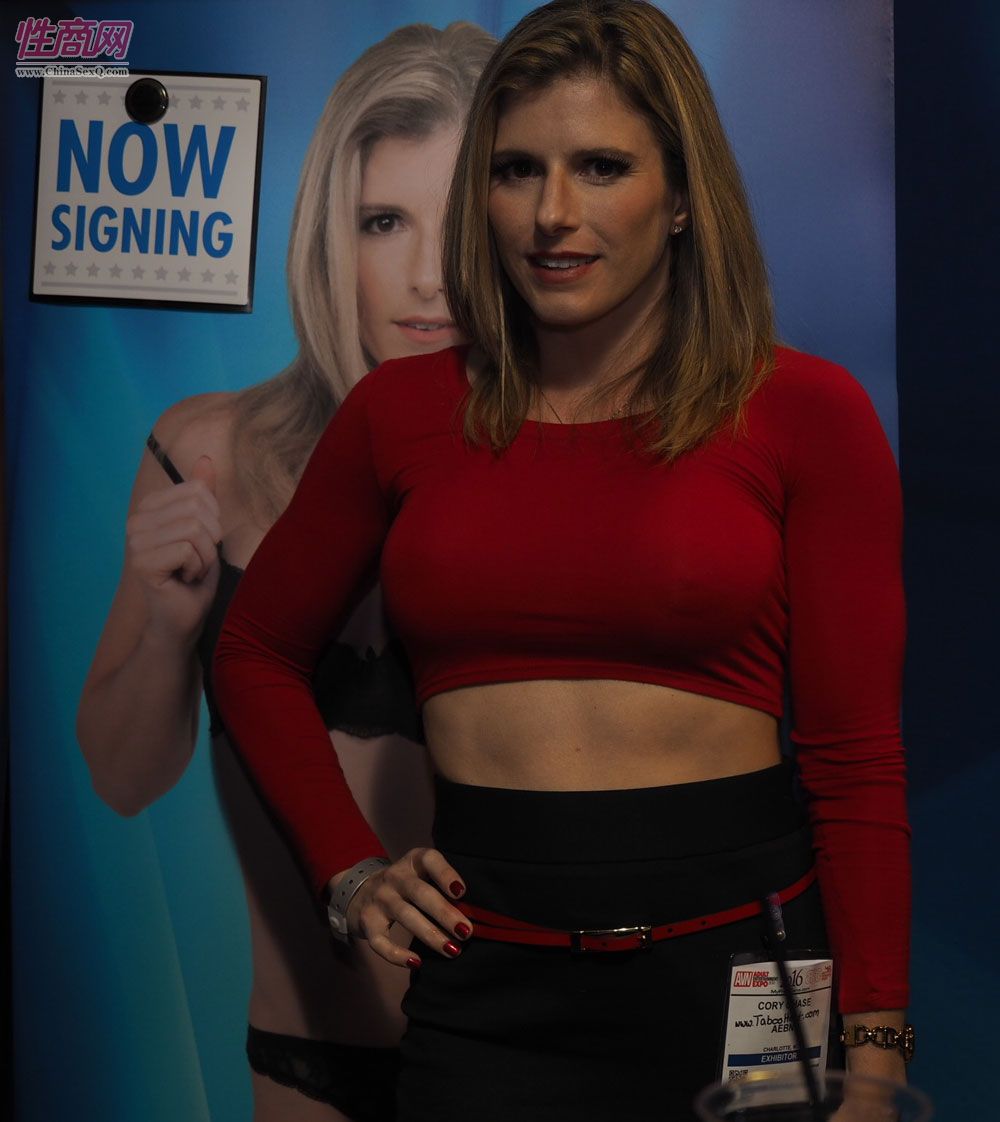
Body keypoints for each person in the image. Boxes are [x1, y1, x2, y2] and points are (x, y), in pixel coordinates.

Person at [213, 2, 912, 1119]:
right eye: (516, 170)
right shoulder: (398, 414)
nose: (552, 213)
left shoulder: (805, 413)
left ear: (681, 197)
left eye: (601, 166)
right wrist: (349, 870)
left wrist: (877, 1057)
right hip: (487, 994)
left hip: (749, 976)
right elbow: (253, 650)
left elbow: (856, 760)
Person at [76, 22, 496, 1122]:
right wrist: (168, 625)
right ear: (327, 237)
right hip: (305, 1061)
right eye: (383, 221)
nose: (427, 276)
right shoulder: (207, 452)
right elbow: (121, 780)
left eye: (459, 224)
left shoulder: (552, 466)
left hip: (525, 1058)